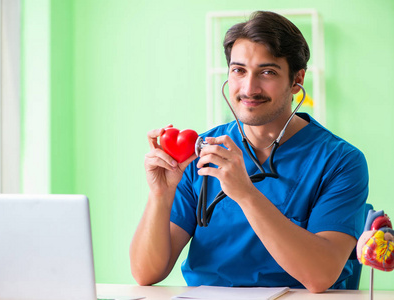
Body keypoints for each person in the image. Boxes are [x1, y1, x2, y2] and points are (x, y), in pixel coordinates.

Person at [129, 11, 368, 293]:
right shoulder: (201, 150)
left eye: (267, 72)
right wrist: (161, 193)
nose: (249, 87)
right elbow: (146, 273)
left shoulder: (340, 161)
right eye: (238, 70)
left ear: (297, 80)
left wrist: (245, 193)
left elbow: (320, 275)